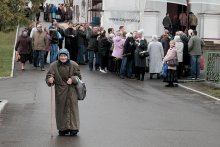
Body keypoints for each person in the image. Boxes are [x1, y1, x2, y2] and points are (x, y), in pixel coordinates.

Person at [46, 48, 81, 136]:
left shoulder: (74, 64)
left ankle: (73, 128)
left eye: (64, 56)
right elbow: (49, 75)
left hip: (72, 90)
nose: (63, 58)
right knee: (61, 110)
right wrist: (50, 79)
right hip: (60, 91)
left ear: (68, 56)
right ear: (58, 56)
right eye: (61, 56)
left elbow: (79, 77)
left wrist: (72, 79)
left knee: (72, 109)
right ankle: (62, 128)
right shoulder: (53, 65)